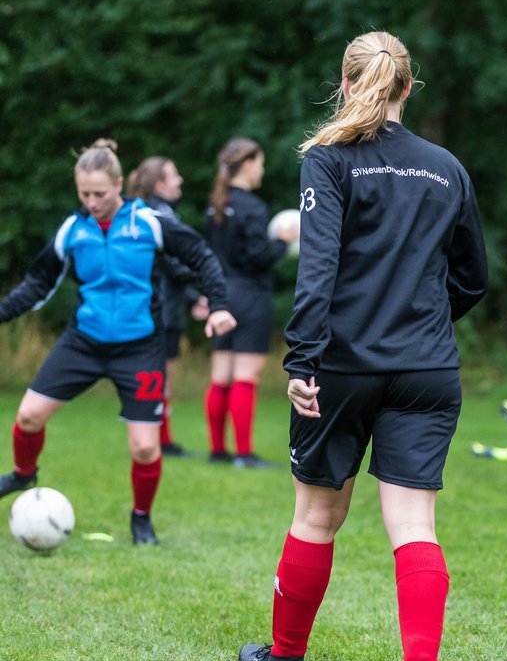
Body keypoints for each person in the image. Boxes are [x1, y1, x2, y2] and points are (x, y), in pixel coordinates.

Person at [237, 31, 487, 661]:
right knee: (414, 524)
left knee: (317, 515)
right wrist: (426, 322)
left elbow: (317, 270)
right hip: (427, 369)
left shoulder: (329, 159)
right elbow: (474, 277)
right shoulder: (447, 168)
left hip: (342, 367)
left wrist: (302, 360)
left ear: (346, 85)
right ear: (409, 87)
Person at [0, 139, 235, 544]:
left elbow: (201, 256)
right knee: (27, 417)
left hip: (140, 347)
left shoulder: (149, 222)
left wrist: (218, 305)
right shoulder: (73, 231)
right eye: (84, 194)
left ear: (120, 184)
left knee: (146, 447)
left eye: (100, 193)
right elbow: (38, 284)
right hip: (83, 343)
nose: (91, 202)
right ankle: (24, 474)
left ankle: (141, 518)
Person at [203, 137, 298, 468]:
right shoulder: (253, 208)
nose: (263, 169)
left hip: (222, 295)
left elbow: (208, 256)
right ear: (246, 165)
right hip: (251, 296)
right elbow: (258, 259)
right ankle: (243, 454)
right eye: (259, 162)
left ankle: (218, 451)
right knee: (246, 377)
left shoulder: (215, 204)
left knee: (221, 376)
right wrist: (282, 243)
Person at [126, 156, 206, 458]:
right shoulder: (159, 214)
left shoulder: (146, 211)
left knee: (159, 377)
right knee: (160, 378)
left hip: (160, 307)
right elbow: (174, 265)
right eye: (174, 176)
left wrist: (193, 299)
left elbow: (163, 268)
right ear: (159, 183)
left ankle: (162, 438)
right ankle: (161, 440)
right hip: (160, 312)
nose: (180, 180)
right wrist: (207, 273)